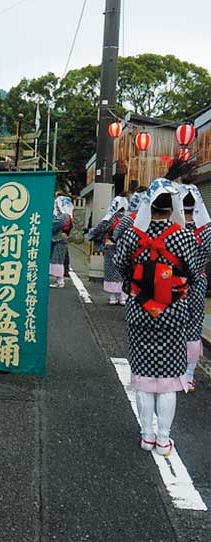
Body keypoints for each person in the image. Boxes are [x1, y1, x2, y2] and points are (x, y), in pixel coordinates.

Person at [114, 179, 198, 456]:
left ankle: (146, 436)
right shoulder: (184, 235)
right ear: (172, 206)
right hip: (172, 312)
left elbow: (120, 265)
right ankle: (163, 439)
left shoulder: (132, 234)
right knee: (169, 380)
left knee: (143, 377)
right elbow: (194, 271)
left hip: (140, 310)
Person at [180, 184, 211, 391]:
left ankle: (170, 371)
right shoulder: (207, 231)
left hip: (173, 283)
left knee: (173, 325)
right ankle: (189, 374)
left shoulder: (172, 230)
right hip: (198, 282)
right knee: (193, 326)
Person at [88, 195, 129, 305]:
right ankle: (123, 298)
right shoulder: (129, 218)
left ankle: (113, 298)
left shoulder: (111, 217)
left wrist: (90, 235)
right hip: (125, 247)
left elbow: (98, 229)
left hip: (111, 246)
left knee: (111, 270)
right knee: (123, 271)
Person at [50, 195, 73, 288]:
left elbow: (55, 224)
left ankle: (60, 281)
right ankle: (59, 280)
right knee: (58, 259)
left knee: (57, 260)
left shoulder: (64, 216)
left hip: (58, 239)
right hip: (60, 238)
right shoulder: (67, 215)